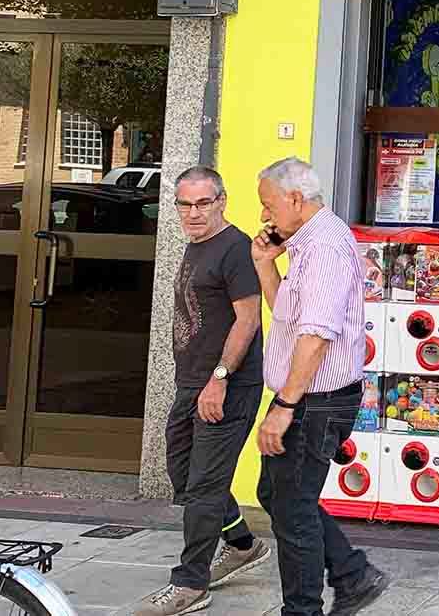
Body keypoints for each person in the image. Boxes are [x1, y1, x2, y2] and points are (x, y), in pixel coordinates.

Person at [250, 157, 389, 616]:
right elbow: (289, 319)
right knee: (279, 496)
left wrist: (285, 405)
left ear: (295, 199)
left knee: (293, 509)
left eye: (268, 206)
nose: (265, 217)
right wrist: (264, 263)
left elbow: (316, 335)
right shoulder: (304, 244)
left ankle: (304, 608)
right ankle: (352, 573)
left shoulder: (325, 247)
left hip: (315, 398)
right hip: (304, 393)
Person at [134, 167, 269, 616]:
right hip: (190, 382)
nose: (192, 212)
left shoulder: (236, 249)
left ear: (222, 201)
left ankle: (190, 584)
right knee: (184, 474)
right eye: (184, 204)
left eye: (202, 203)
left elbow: (248, 320)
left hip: (226, 385)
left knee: (206, 486)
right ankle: (243, 543)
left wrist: (219, 379)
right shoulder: (197, 246)